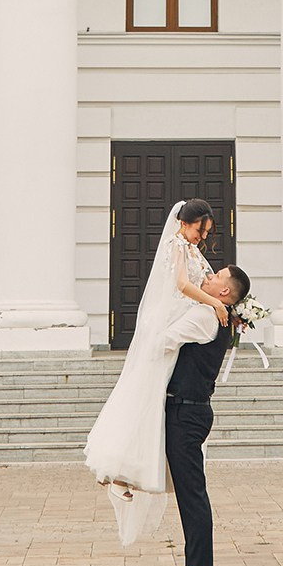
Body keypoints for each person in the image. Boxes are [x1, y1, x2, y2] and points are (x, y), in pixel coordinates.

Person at [83, 200, 228, 548]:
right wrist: (215, 303)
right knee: (147, 398)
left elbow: (210, 282)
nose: (200, 237)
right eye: (198, 229)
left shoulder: (192, 250)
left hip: (179, 331)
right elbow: (181, 285)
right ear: (183, 222)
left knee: (158, 405)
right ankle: (121, 472)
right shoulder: (177, 245)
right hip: (166, 329)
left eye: (205, 232)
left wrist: (222, 304)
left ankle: (130, 473)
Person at [152, 262, 247, 566]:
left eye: (216, 276)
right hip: (188, 410)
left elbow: (162, 341)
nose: (208, 277)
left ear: (224, 292)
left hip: (186, 413)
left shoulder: (207, 316)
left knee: (193, 495)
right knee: (189, 493)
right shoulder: (213, 312)